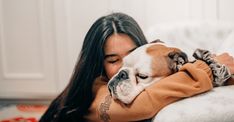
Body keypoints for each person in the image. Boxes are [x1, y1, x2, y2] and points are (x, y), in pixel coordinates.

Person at [39, 12, 234, 122]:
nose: (124, 68)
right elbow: (144, 105)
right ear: (97, 63)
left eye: (132, 56)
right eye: (114, 60)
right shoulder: (93, 93)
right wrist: (210, 67)